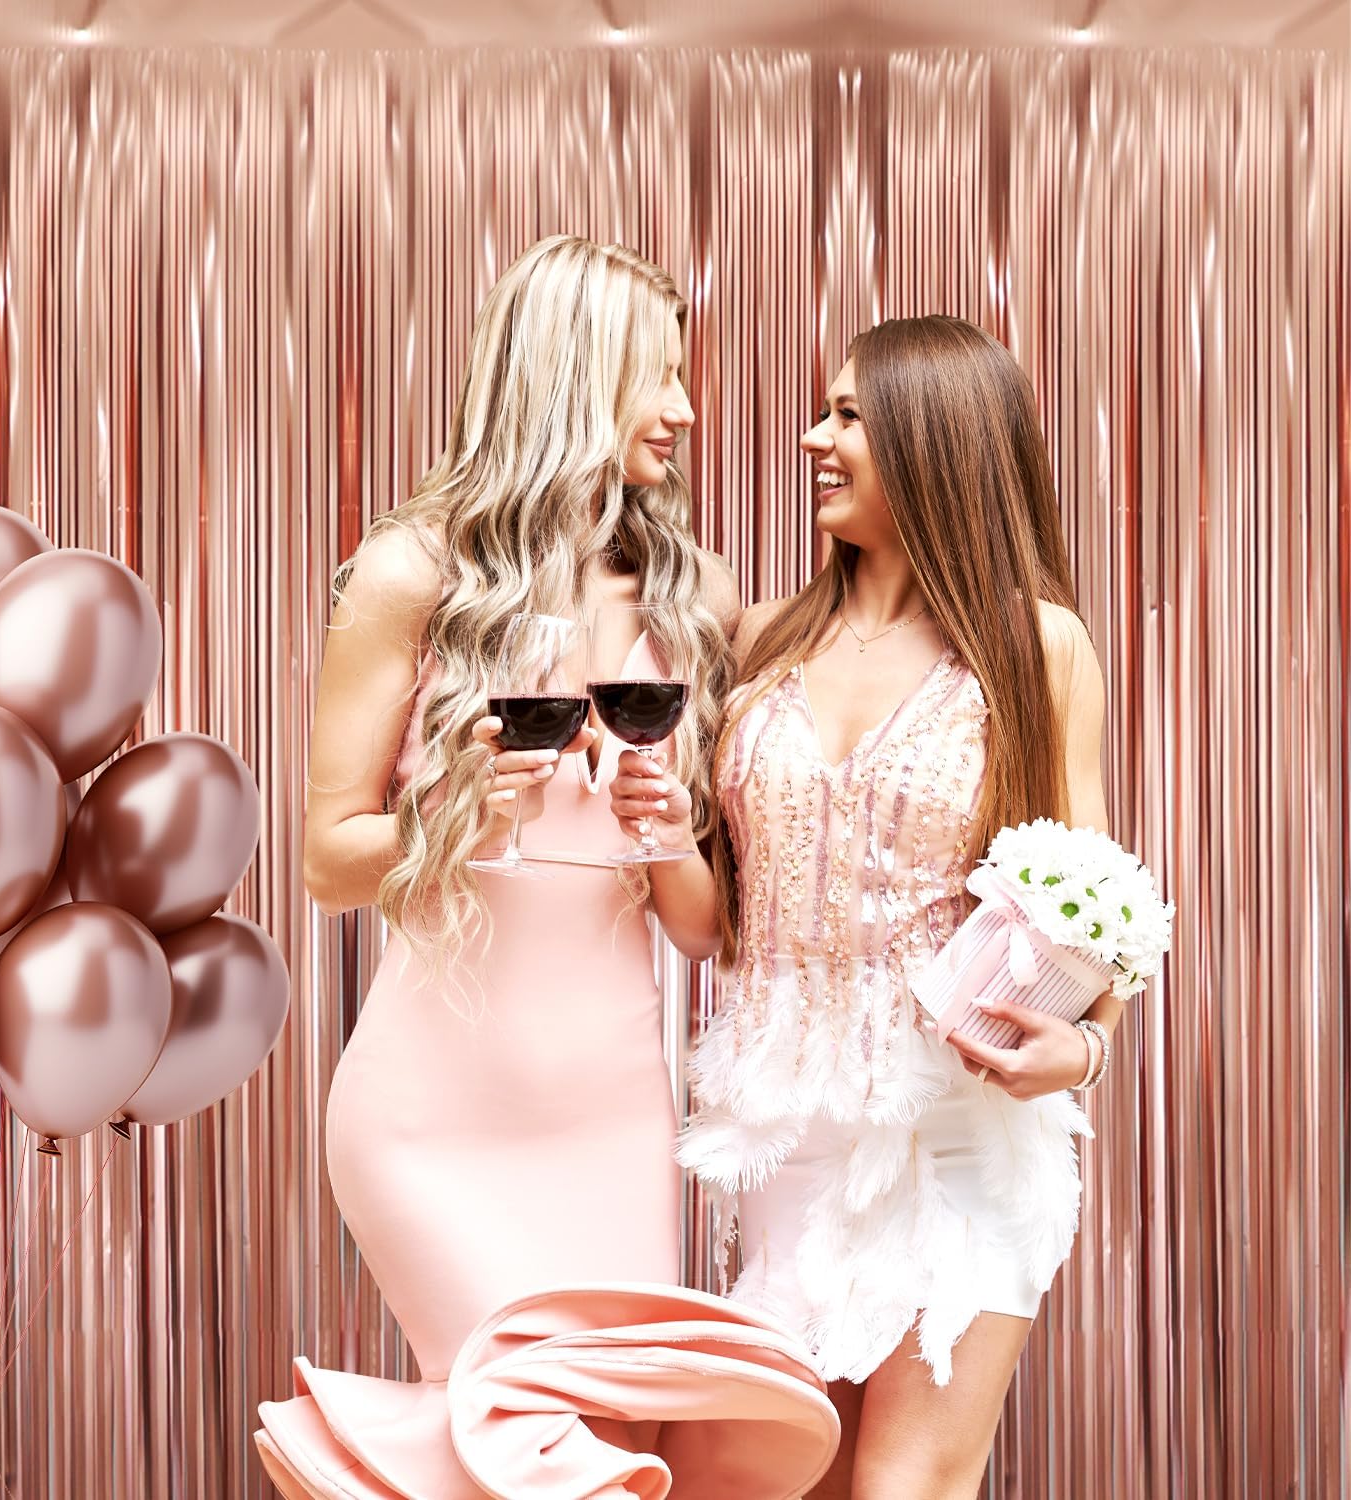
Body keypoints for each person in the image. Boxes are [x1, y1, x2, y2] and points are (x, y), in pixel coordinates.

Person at [255, 236, 839, 1500]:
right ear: (575, 372)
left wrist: (664, 826)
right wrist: (458, 820)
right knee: (524, 1445)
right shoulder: (414, 574)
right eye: (658, 374)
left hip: (611, 1116)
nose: (685, 409)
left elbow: (702, 930)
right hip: (430, 1112)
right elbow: (326, 863)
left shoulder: (695, 596)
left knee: (611, 1456)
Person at [619, 315, 1115, 1497]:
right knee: (771, 1479)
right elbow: (710, 929)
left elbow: (1098, 907)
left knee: (900, 1487)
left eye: (847, 416)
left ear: (933, 439)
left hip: (954, 1127)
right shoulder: (762, 642)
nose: (813, 438)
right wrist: (661, 828)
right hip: (784, 1131)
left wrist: (1087, 1050)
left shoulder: (1034, 646)